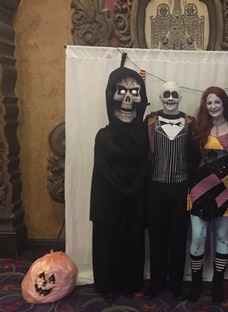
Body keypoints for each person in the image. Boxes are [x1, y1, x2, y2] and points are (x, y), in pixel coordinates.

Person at [90, 65, 149, 303]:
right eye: (121, 91)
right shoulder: (102, 136)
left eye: (134, 93)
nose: (127, 99)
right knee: (109, 241)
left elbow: (147, 163)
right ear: (111, 96)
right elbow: (101, 168)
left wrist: (134, 188)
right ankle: (108, 285)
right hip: (109, 201)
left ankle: (129, 283)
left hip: (134, 201)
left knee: (131, 241)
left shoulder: (144, 133)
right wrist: (122, 189)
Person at [144, 81, 197, 301]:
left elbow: (196, 156)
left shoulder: (190, 123)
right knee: (156, 236)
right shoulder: (149, 122)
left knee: (178, 236)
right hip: (156, 186)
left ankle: (176, 282)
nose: (171, 98)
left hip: (181, 187)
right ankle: (157, 281)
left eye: (175, 94)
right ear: (160, 97)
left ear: (181, 98)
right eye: (166, 94)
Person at [187, 86, 228, 303]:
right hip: (199, 191)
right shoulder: (196, 127)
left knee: (222, 236)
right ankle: (196, 284)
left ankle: (217, 284)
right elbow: (188, 159)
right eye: (209, 103)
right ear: (204, 105)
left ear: (224, 104)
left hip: (225, 192)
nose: (213, 106)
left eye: (217, 102)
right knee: (198, 236)